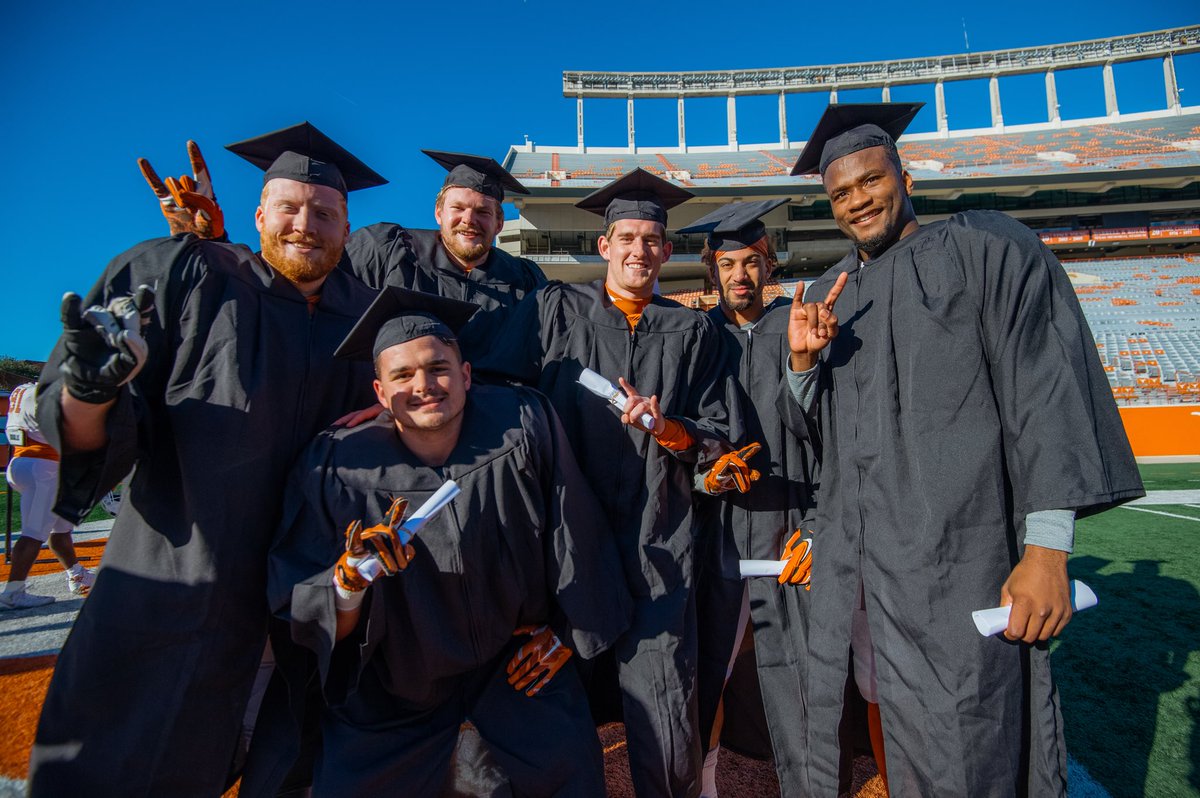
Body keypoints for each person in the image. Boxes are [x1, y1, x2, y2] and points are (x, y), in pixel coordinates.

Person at [790, 103, 1145, 797]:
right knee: (879, 723)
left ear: (906, 174)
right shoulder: (831, 298)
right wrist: (804, 366)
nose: (857, 201)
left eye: (869, 181)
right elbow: (824, 441)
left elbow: (1044, 394)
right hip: (865, 576)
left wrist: (1046, 549)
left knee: (970, 741)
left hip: (959, 565)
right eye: (840, 194)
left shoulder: (985, 250)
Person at [29, 121, 385, 797]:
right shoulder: (195, 283)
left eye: (325, 213)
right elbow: (90, 435)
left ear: (347, 228)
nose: (306, 224)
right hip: (178, 606)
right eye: (289, 207)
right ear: (258, 215)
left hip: (308, 625)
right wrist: (89, 390)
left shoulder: (375, 327)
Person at [268, 287, 631, 796]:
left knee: (569, 774)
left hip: (512, 665)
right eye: (402, 375)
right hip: (397, 681)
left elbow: (577, 534)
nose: (424, 385)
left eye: (438, 367)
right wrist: (348, 582)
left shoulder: (522, 425)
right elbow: (308, 605)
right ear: (378, 392)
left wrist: (567, 632)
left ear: (466, 375)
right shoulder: (337, 466)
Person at [477, 168, 742, 798]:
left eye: (652, 240)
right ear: (604, 247)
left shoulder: (695, 332)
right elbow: (487, 387)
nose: (640, 251)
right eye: (627, 237)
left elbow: (719, 432)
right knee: (551, 711)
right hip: (565, 543)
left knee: (666, 715)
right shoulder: (553, 311)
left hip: (660, 543)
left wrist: (670, 431)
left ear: (667, 251)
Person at [677, 200, 845, 797]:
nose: (740, 275)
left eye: (752, 262)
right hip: (714, 533)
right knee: (701, 677)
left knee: (803, 679)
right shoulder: (695, 338)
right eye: (728, 264)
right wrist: (703, 480)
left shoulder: (796, 326)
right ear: (712, 269)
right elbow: (677, 442)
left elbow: (834, 436)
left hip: (791, 524)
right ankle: (701, 785)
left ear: (769, 263)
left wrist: (821, 525)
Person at [343, 150, 547, 360]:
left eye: (483, 212)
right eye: (458, 208)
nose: (469, 219)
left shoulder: (525, 280)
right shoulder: (390, 251)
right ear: (439, 213)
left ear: (499, 224)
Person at [1, 382, 95, 609]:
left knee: (60, 528)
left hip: (24, 461)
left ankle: (75, 574)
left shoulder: (20, 389)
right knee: (33, 533)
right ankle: (14, 591)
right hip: (43, 466)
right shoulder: (47, 391)